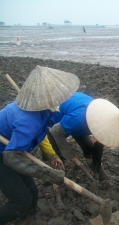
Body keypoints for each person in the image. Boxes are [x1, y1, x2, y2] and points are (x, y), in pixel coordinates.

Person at [0, 65, 79, 224]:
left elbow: (40, 134)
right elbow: (11, 157)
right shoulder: (28, 121)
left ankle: (28, 221)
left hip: (13, 150)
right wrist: (48, 174)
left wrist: (51, 155)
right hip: (4, 155)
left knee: (33, 193)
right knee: (21, 201)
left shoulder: (45, 112)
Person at [48, 91, 119, 181]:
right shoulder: (79, 120)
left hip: (74, 118)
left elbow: (99, 143)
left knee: (89, 149)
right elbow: (56, 131)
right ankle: (59, 181)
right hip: (55, 123)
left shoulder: (101, 118)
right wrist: (69, 154)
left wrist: (95, 169)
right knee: (58, 157)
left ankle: (100, 175)